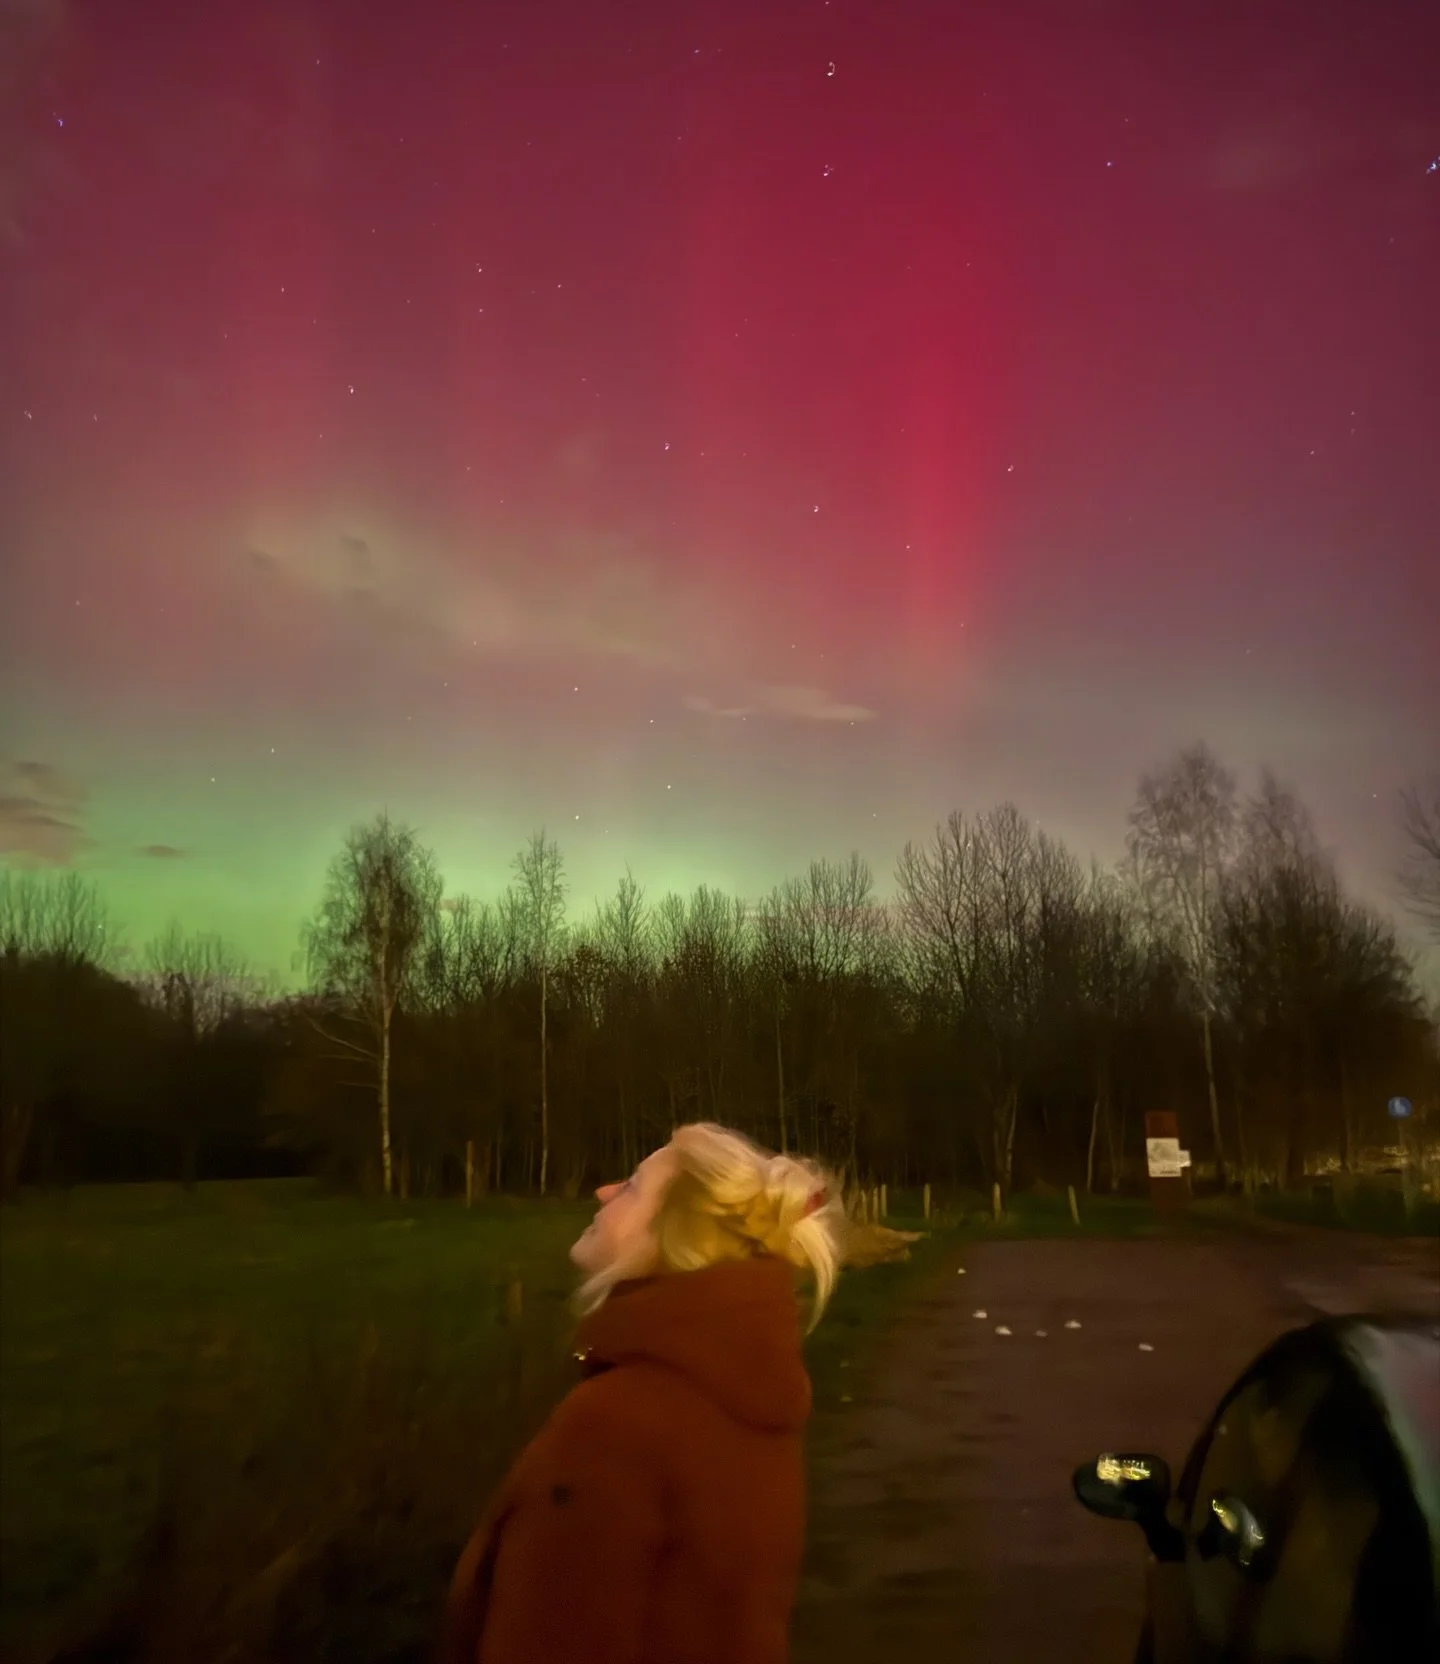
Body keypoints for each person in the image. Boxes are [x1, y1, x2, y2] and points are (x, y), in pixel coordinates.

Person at [438, 1122, 859, 1664]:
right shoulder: (746, 1393)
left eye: (633, 1186)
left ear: (676, 1234)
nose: (603, 1191)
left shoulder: (617, 1423)